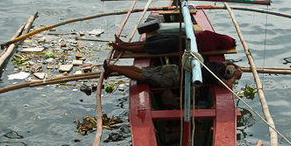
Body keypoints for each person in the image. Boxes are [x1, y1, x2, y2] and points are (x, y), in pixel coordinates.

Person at [103, 60, 242, 89]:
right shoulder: (215, 75)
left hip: (174, 67)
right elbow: (228, 85)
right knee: (142, 77)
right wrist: (235, 76)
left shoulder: (215, 64)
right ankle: (112, 67)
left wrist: (236, 67)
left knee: (141, 71)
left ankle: (112, 68)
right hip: (174, 78)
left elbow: (227, 62)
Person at [111, 30, 236, 54]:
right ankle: (124, 44)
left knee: (150, 45)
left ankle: (123, 47)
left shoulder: (222, 42)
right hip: (182, 39)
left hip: (181, 45)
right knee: (152, 41)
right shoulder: (220, 40)